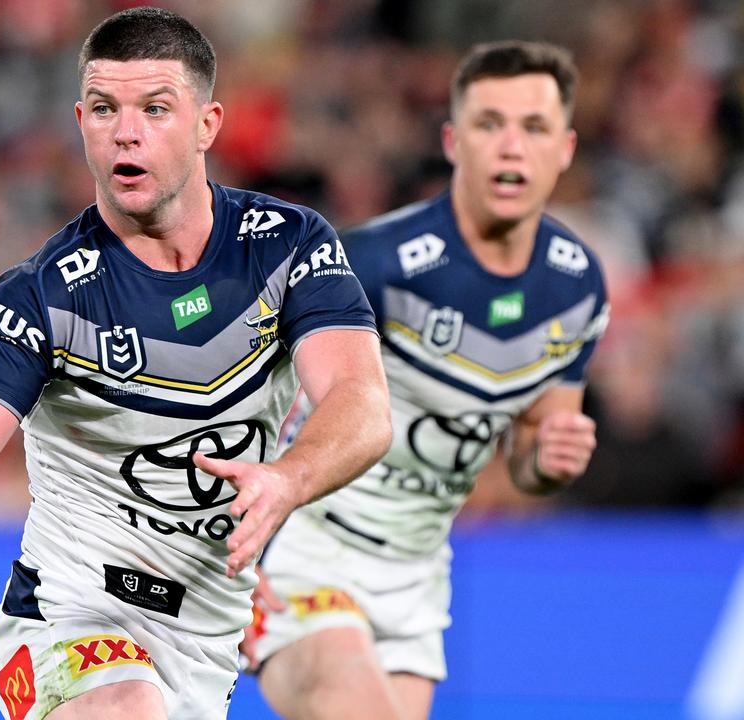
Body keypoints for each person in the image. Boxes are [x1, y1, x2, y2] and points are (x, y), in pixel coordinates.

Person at [0, 6, 393, 719]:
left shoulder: (286, 246)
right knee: (127, 706)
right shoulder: (40, 295)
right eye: (104, 108)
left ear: (207, 124)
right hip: (73, 618)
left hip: (216, 619)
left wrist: (290, 478)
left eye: (156, 108)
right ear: (81, 122)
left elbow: (361, 399)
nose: (126, 131)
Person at [244, 40, 610, 720]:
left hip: (416, 573)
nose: (510, 147)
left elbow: (532, 460)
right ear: (453, 140)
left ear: (565, 147)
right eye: (489, 124)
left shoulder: (575, 286)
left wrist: (550, 461)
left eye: (533, 128)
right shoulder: (373, 264)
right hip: (305, 547)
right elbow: (244, 392)